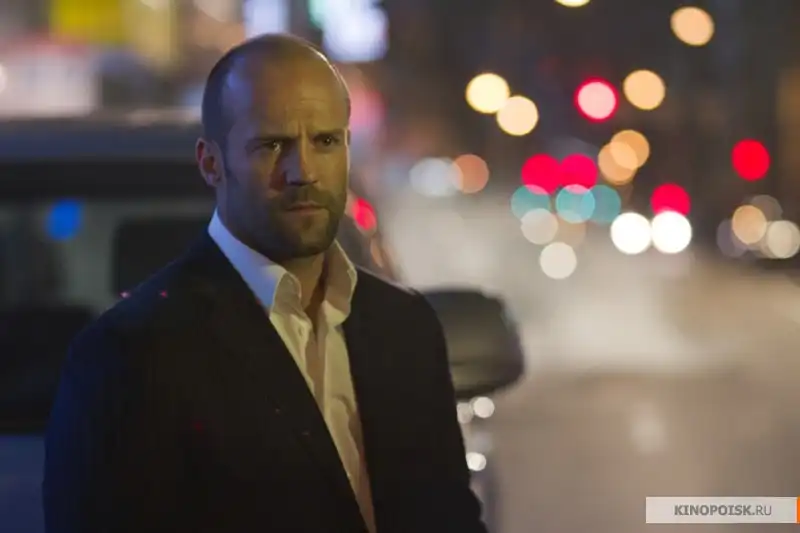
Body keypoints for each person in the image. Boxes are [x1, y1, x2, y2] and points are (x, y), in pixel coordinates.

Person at [42, 34, 487, 533]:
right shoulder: (130, 354)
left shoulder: (404, 326)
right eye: (272, 145)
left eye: (325, 141)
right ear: (210, 163)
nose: (303, 172)